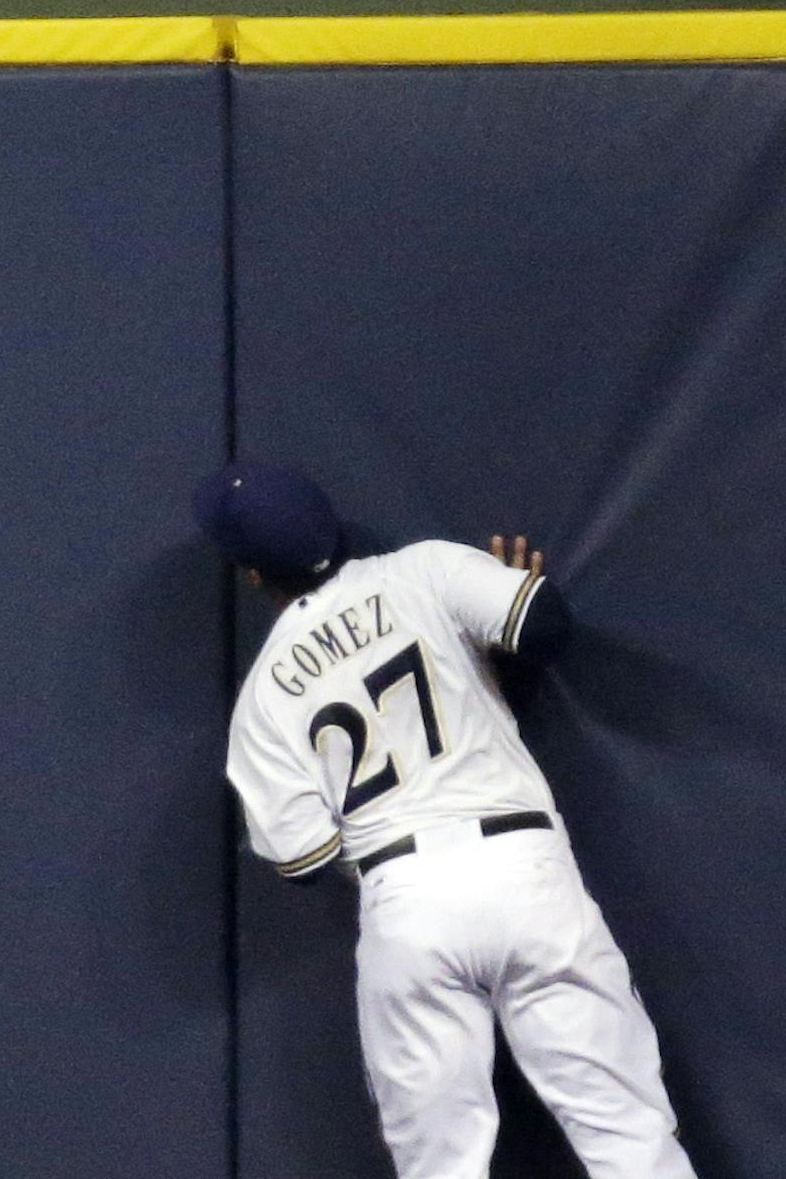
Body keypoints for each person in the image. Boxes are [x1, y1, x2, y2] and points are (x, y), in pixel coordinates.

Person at [197, 458, 698, 1179]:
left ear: (249, 575)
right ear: (333, 524)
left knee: (440, 1169)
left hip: (404, 895)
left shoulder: (263, 700)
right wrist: (483, 648)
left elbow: (302, 861)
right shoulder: (424, 571)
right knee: (629, 1138)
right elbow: (544, 623)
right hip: (524, 865)